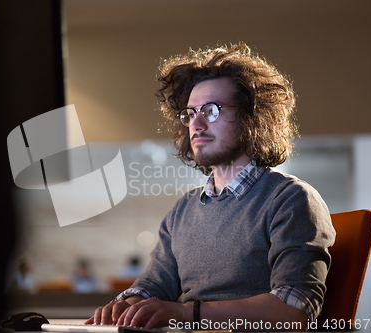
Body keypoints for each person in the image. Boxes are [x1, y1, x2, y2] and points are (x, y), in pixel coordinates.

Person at [86, 43, 336, 330]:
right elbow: (153, 286)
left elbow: (294, 311)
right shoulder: (183, 210)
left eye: (211, 110)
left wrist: (184, 314)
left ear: (251, 117)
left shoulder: (292, 199)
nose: (196, 124)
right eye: (190, 113)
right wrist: (123, 308)